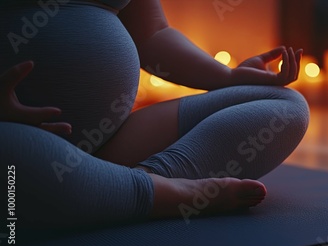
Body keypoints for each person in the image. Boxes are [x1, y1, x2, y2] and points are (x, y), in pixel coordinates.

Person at [0, 0, 309, 228]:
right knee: (10, 154)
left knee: (286, 107)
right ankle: (154, 195)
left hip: (110, 144)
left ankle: (130, 181)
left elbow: (152, 34)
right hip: (18, 134)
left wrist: (229, 77)